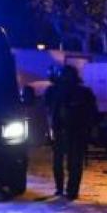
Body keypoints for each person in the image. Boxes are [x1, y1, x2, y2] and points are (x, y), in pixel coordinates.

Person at [51, 64, 98, 200]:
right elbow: (52, 110)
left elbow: (92, 113)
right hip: (62, 131)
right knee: (60, 163)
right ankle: (61, 189)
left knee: (74, 163)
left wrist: (89, 129)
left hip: (77, 132)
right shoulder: (57, 91)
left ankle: (71, 191)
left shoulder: (83, 93)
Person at [44, 65, 67, 196]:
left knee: (59, 161)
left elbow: (48, 110)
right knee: (66, 161)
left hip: (61, 128)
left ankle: (61, 188)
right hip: (63, 128)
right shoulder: (52, 91)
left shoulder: (52, 91)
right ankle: (67, 189)